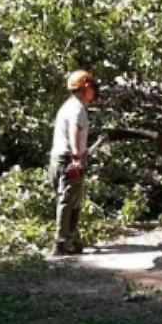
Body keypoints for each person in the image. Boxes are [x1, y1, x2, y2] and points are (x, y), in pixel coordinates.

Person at [49, 70, 98, 255]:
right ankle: (61, 243)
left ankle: (71, 239)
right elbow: (74, 131)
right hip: (69, 159)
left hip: (58, 159)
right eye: (91, 85)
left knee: (73, 200)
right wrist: (77, 157)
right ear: (85, 87)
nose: (94, 90)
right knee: (68, 201)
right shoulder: (77, 109)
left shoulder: (68, 106)